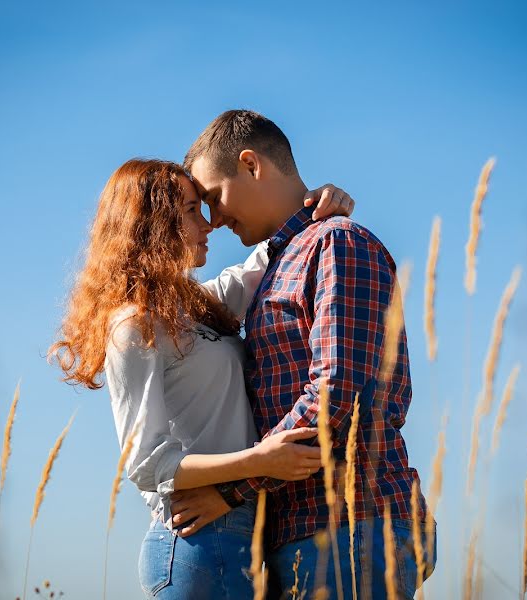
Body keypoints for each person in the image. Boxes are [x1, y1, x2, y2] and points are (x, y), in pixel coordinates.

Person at [49, 158, 356, 599]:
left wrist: (321, 202)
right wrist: (258, 462)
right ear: (152, 225)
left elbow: (262, 260)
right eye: (192, 210)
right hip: (196, 539)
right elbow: (146, 464)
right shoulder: (133, 325)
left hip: (246, 533)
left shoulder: (197, 307)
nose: (209, 224)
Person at [172, 110, 436, 599]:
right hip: (304, 535)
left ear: (251, 164)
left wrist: (233, 490)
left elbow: (337, 394)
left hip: (351, 525)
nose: (215, 219)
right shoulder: (278, 263)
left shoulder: (337, 243)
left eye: (213, 198)